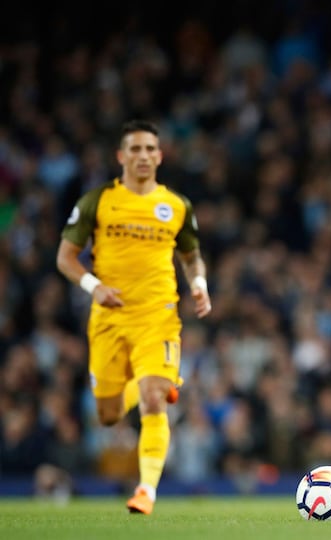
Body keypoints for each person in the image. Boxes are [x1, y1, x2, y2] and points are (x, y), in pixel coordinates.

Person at [56, 119, 212, 515]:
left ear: (159, 157)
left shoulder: (176, 206)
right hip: (108, 318)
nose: (143, 156)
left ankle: (146, 490)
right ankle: (156, 381)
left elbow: (192, 257)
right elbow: (65, 258)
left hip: (157, 316)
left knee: (153, 398)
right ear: (121, 156)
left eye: (149, 149)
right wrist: (94, 286)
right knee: (108, 416)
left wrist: (200, 285)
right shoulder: (98, 201)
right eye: (135, 149)